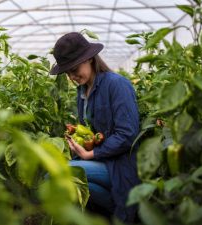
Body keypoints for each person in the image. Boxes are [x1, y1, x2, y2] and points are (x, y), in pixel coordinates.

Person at [50, 32, 140, 223]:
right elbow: (91, 131)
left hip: (120, 163)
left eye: (74, 69)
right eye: (67, 72)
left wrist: (90, 155)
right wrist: (79, 141)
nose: (72, 76)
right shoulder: (83, 91)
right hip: (103, 161)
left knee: (60, 173)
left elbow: (127, 134)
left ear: (90, 59)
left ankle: (119, 213)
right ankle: (112, 214)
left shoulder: (116, 85)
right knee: (77, 183)